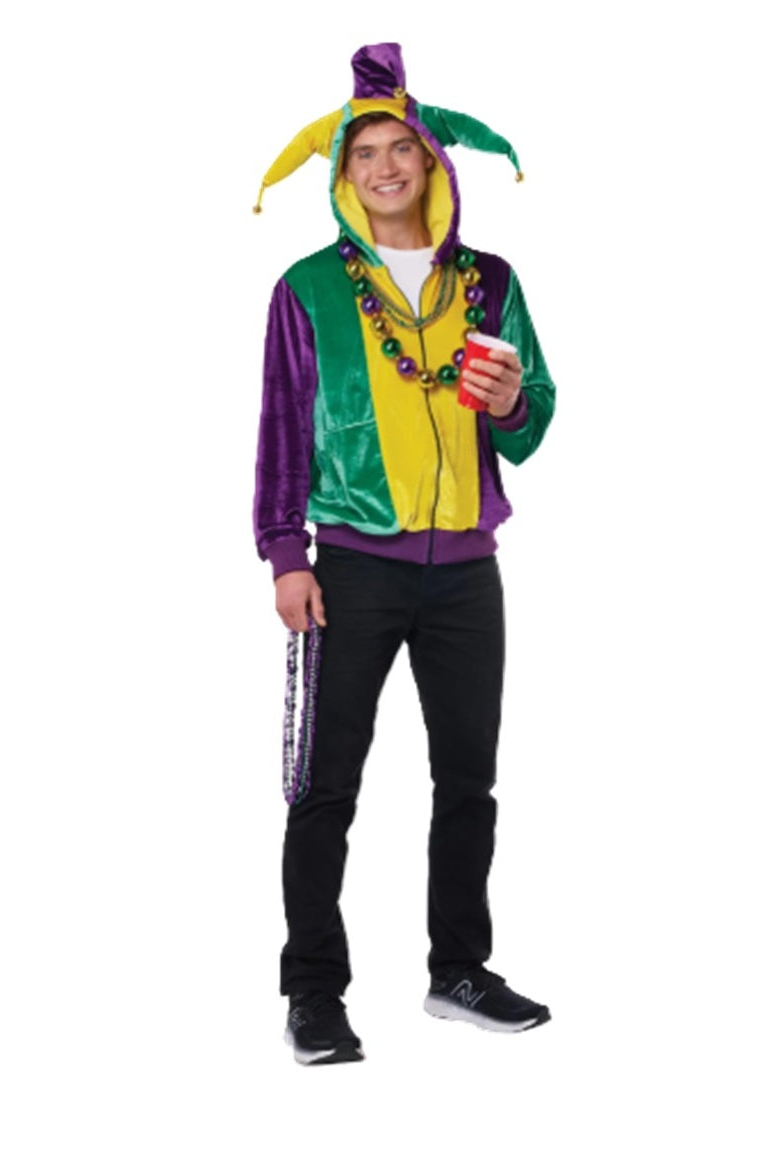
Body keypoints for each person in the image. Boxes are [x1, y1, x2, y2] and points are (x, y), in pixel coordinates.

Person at [253, 43, 556, 1065]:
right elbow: (282, 430)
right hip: (352, 566)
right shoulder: (307, 290)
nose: (385, 167)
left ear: (432, 160)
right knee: (326, 785)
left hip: (467, 571)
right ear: (343, 174)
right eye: (365, 153)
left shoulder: (489, 283)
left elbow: (532, 418)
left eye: (402, 149)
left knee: (469, 778)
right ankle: (312, 992)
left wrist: (509, 404)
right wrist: (285, 554)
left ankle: (458, 970)